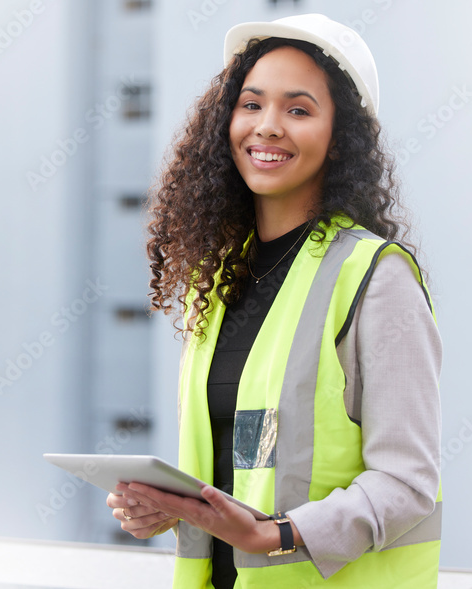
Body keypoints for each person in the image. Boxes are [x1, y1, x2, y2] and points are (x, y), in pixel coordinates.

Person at [106, 13, 442, 588]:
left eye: (299, 109)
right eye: (252, 104)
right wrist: (170, 508)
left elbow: (407, 481)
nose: (267, 126)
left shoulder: (376, 277)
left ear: (341, 142)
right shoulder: (218, 283)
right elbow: (249, 460)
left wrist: (278, 534)